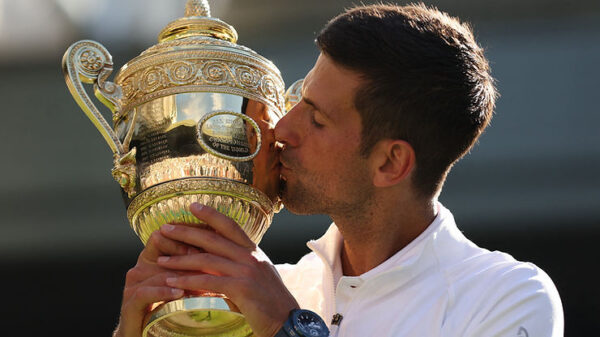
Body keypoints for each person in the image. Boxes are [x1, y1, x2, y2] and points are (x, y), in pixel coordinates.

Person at [113, 3, 563, 337]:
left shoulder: (507, 298)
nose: (282, 129)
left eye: (317, 118)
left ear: (390, 163)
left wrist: (287, 326)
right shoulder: (263, 292)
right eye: (299, 100)